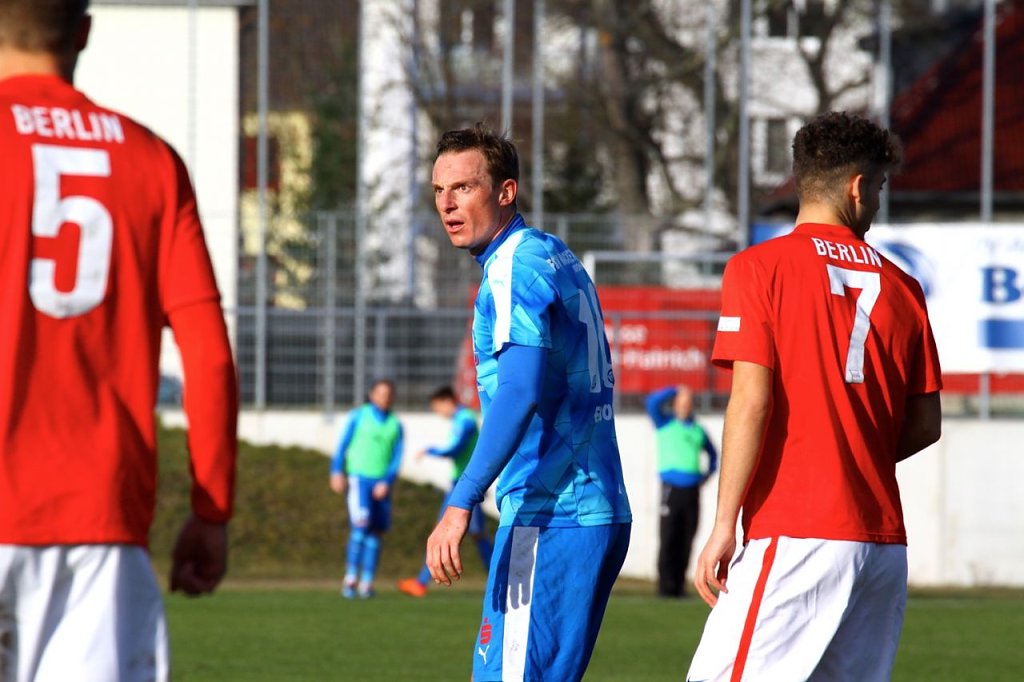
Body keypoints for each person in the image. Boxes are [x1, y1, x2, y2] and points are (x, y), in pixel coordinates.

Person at [0, 2, 239, 680]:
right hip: (100, 524)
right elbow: (208, 355)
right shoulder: (152, 161)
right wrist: (211, 508)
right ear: (83, 31)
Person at [687, 111, 942, 681]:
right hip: (881, 546)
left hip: (796, 530)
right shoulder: (904, 287)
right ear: (857, 186)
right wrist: (853, 452)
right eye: (879, 188)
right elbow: (927, 423)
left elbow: (751, 401)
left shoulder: (760, 268)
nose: (876, 202)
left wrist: (724, 524)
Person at [425, 124, 632, 682]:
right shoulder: (551, 253)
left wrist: (460, 501)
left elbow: (519, 392)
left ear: (506, 192)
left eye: (464, 187)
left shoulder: (512, 266)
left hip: (551, 514)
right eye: (439, 189)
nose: (447, 203)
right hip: (591, 508)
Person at [398, 386, 493, 598]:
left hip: (464, 485)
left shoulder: (465, 420)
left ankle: (421, 582)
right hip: (467, 483)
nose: (438, 412)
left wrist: (430, 450)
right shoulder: (463, 419)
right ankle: (499, 578)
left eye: (437, 407)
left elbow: (455, 448)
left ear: (445, 401)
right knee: (478, 535)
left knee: (444, 530)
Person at [329, 379, 403, 598]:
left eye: (388, 394)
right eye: (380, 393)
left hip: (381, 483)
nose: (384, 398)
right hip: (359, 480)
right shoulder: (359, 416)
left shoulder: (395, 424)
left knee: (375, 533)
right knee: (360, 527)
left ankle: (367, 582)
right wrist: (336, 470)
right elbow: (342, 445)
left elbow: (396, 458)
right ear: (371, 395)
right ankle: (351, 578)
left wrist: (387, 481)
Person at [645, 384, 717, 598]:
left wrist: (706, 475)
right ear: (675, 404)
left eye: (688, 403)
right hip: (671, 489)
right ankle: (665, 586)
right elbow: (651, 402)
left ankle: (678, 586)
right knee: (669, 536)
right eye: (682, 402)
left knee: (687, 537)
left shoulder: (697, 430)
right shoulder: (665, 423)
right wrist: (675, 390)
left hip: (692, 490)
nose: (685, 406)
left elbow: (713, 455)